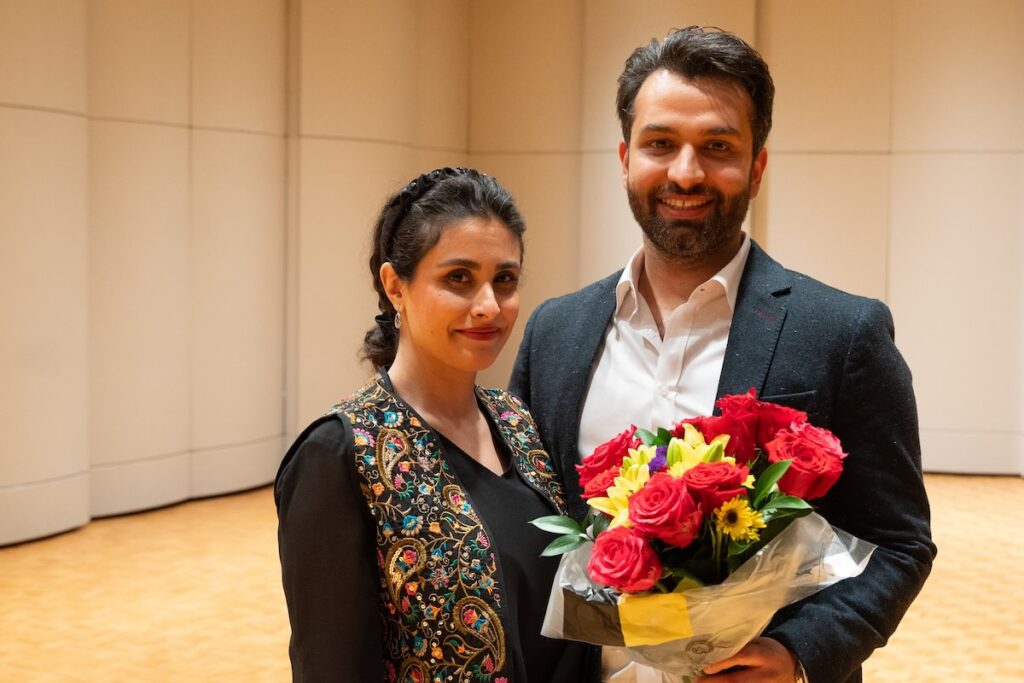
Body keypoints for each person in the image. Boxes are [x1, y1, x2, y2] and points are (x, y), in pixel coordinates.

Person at [509, 27, 935, 683]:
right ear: (625, 157)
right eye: (660, 144)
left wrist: (799, 655)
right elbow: (529, 522)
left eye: (717, 147)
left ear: (757, 166)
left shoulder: (843, 331)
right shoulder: (554, 331)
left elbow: (900, 542)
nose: (686, 171)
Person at [276, 167, 598, 682]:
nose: (489, 305)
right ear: (394, 286)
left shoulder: (516, 421)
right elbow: (331, 667)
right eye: (458, 278)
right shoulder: (341, 452)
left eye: (505, 279)